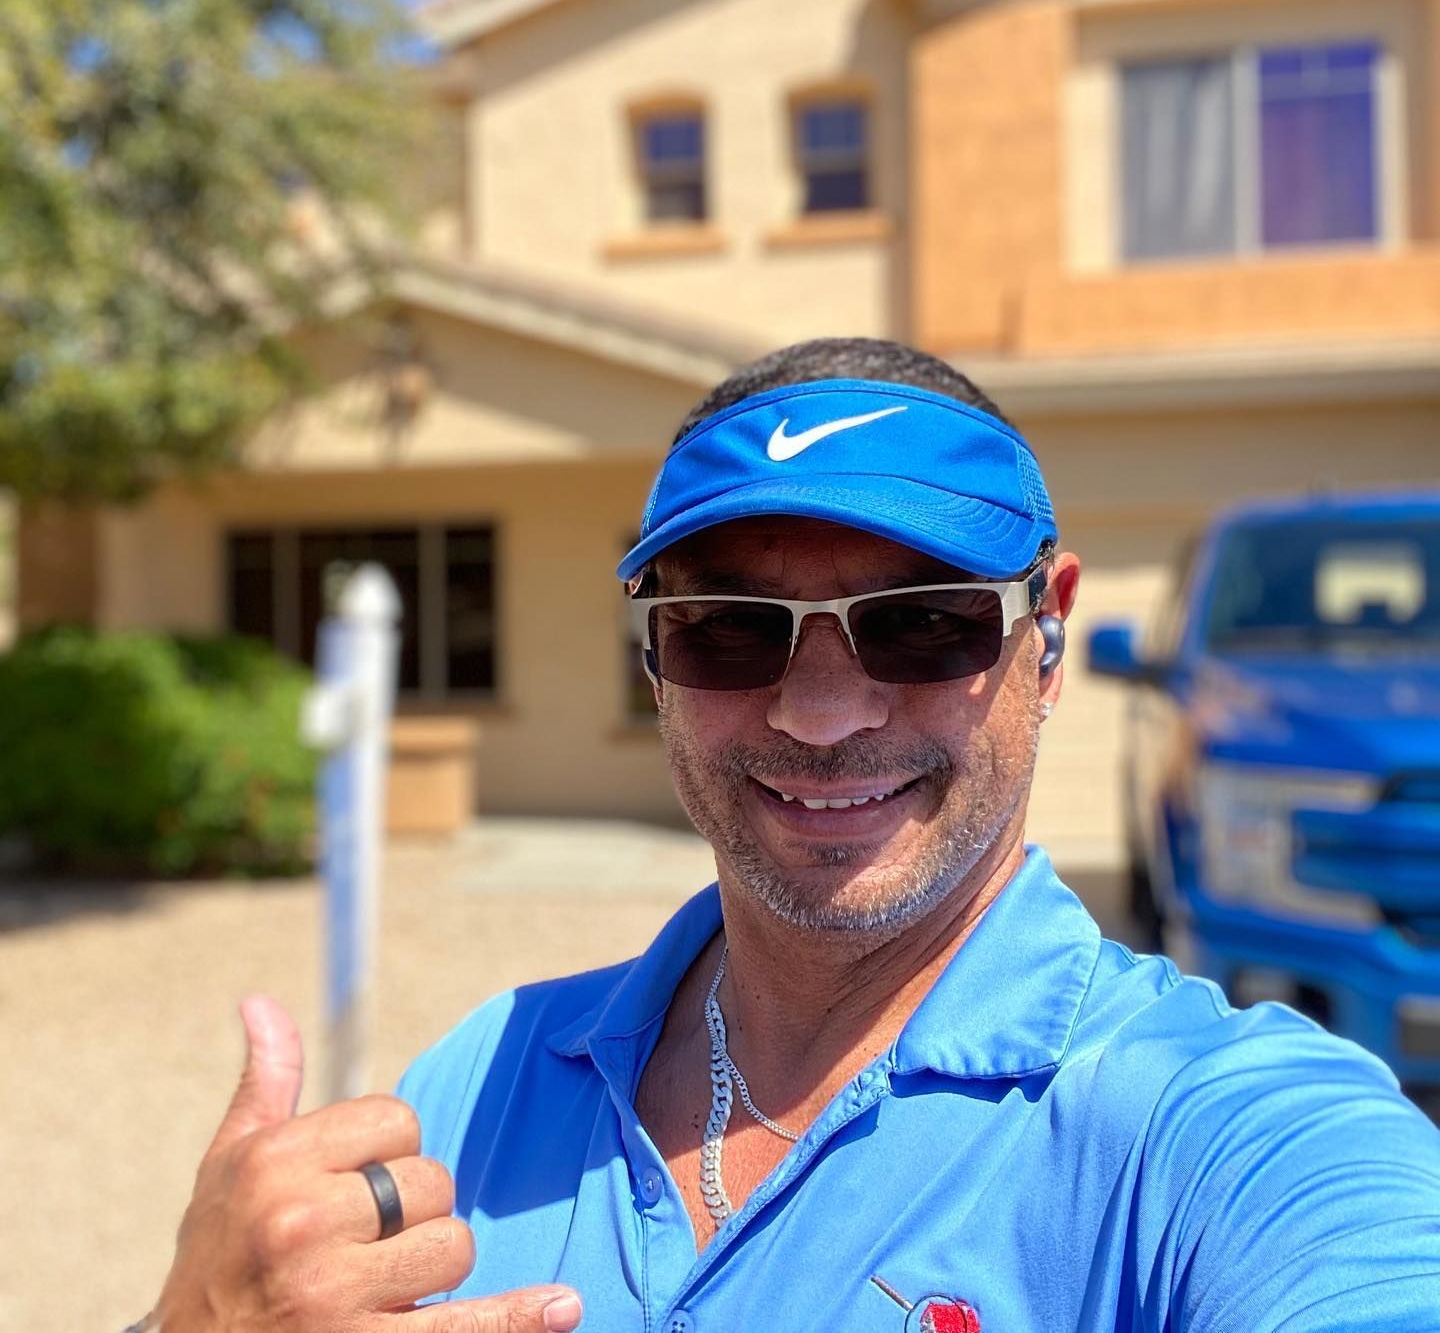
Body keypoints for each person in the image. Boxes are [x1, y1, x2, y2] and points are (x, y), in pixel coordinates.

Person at [138, 340, 1440, 1333]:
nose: (820, 713)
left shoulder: (1209, 1129)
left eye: (923, 621)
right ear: (655, 658)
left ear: (1048, 637)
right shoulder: (485, 1076)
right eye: (732, 628)